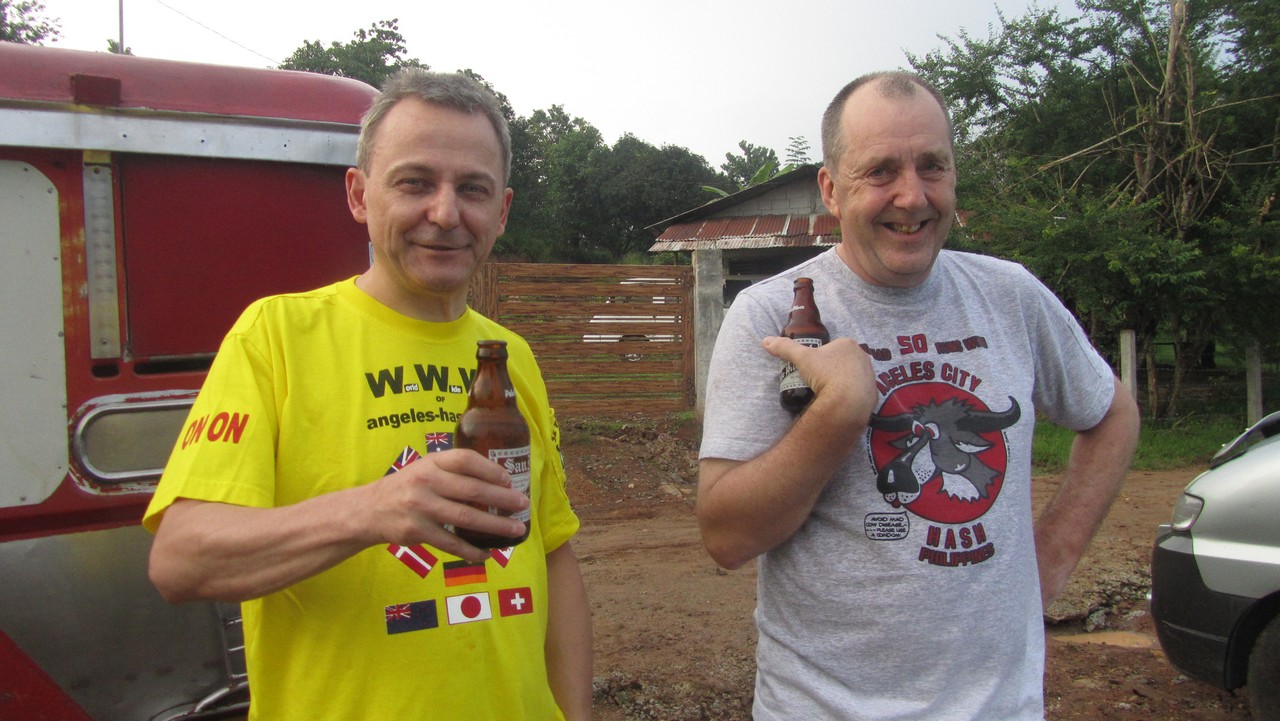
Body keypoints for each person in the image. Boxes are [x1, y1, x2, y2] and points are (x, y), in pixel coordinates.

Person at [144, 69, 592, 721]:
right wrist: (373, 509)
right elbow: (182, 559)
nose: (446, 213)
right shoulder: (277, 336)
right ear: (358, 194)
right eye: (415, 183)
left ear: (501, 211)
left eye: (472, 189)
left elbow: (551, 556)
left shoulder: (510, 356)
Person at [696, 70, 1141, 720]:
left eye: (932, 166)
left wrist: (1053, 555)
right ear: (831, 189)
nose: (912, 196)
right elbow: (727, 536)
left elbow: (1112, 412)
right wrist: (838, 413)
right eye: (881, 171)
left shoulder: (1012, 296)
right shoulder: (771, 317)